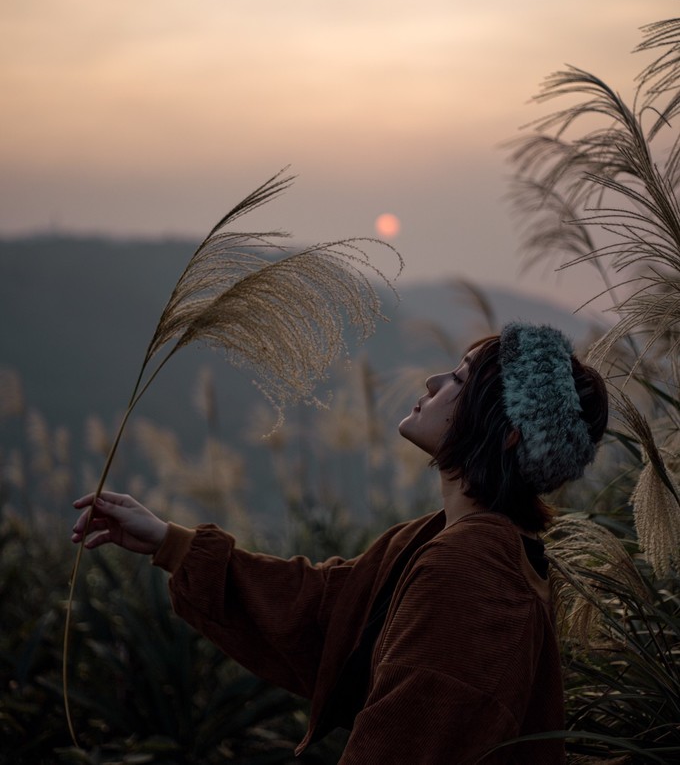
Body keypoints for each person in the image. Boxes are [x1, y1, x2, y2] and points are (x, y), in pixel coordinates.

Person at [71, 322, 608, 764]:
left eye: (460, 382)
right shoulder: (446, 540)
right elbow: (327, 610)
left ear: (507, 432)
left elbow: (407, 742)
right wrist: (170, 543)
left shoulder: (471, 572)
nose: (430, 380)